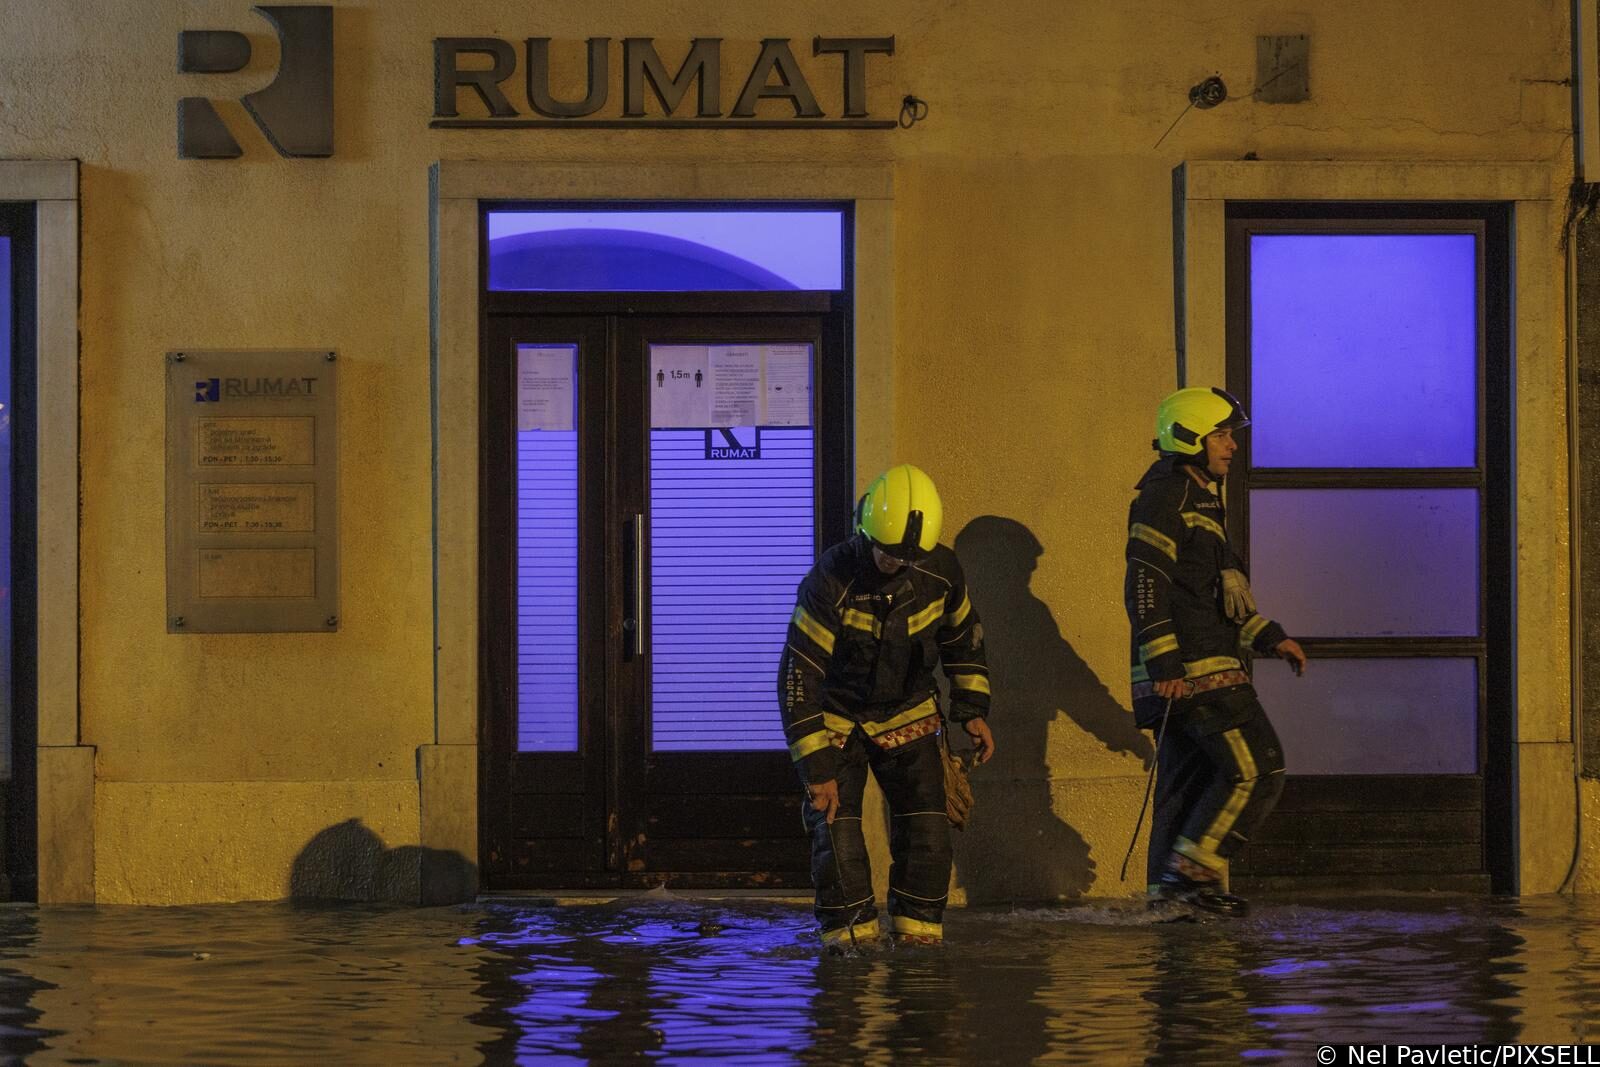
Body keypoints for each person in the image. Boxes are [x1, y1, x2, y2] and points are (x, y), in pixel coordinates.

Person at [778, 464, 995, 947]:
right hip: (836, 721)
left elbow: (964, 640)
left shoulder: (941, 571)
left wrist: (972, 709)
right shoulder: (829, 580)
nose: (898, 564)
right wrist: (817, 769)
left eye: (910, 557)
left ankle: (918, 949)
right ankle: (847, 946)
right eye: (889, 553)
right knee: (839, 842)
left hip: (909, 713)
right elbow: (798, 679)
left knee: (929, 839)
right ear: (863, 530)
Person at [1124, 387, 1306, 916]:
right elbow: (1144, 583)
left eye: (1231, 435)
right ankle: (1194, 873)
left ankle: (1171, 902)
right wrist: (1165, 664)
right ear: (1190, 439)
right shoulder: (1166, 496)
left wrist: (1272, 638)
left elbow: (1211, 596)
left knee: (1186, 788)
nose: (1232, 446)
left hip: (1189, 668)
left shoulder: (1198, 495)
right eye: (1221, 435)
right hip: (1194, 671)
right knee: (1259, 768)